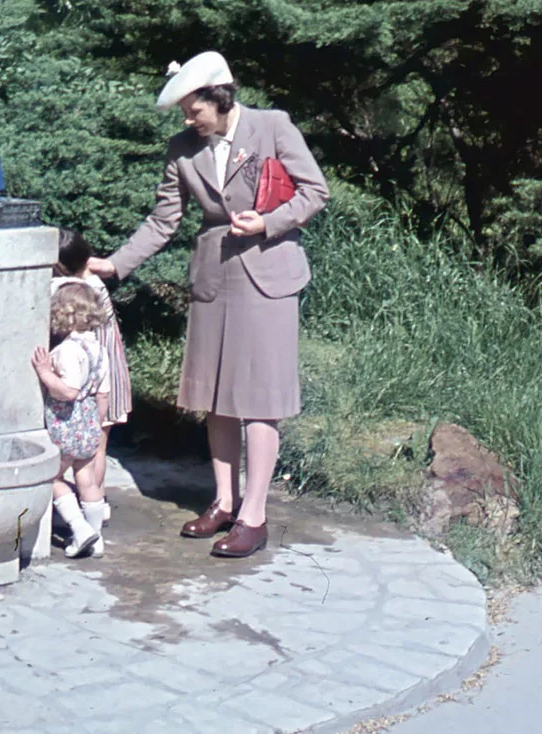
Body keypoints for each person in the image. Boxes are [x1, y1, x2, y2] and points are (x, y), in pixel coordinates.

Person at [89, 51, 328, 559]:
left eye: (192, 108)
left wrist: (268, 223)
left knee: (261, 401)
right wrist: (115, 264)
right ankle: (223, 501)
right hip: (214, 280)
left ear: (219, 98)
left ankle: (254, 517)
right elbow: (163, 221)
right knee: (217, 398)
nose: (187, 119)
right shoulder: (182, 148)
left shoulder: (272, 127)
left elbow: (314, 191)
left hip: (268, 277)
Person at [52, 229, 131, 521]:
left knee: (89, 448)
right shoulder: (92, 281)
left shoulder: (70, 291)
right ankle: (96, 502)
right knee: (99, 443)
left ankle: (85, 505)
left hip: (87, 376)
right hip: (107, 368)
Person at [31, 283, 110, 559]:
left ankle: (79, 528)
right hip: (90, 423)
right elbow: (103, 394)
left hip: (66, 425)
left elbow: (68, 390)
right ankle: (97, 538)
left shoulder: (67, 350)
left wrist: (44, 373)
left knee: (52, 477)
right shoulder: (99, 349)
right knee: (87, 480)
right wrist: (96, 426)